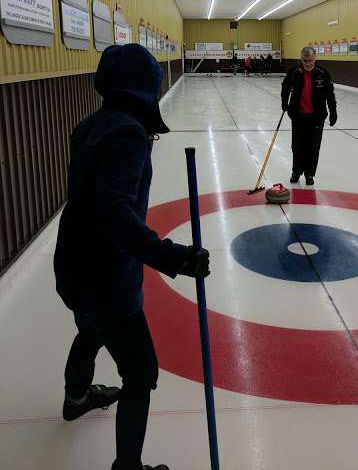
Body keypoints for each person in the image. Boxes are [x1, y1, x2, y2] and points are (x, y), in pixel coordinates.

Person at [54, 44, 210, 470]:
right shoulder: (127, 133)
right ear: (145, 86)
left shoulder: (92, 125)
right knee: (140, 373)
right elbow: (116, 216)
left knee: (90, 328)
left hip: (73, 265)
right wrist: (175, 258)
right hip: (106, 277)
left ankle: (77, 396)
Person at [281, 45, 337, 186]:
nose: (307, 63)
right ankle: (296, 171)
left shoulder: (322, 73)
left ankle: (309, 174)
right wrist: (284, 102)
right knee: (297, 146)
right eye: (305, 60)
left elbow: (330, 94)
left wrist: (333, 111)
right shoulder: (295, 71)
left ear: (315, 58)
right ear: (301, 59)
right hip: (298, 116)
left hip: (316, 117)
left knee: (313, 147)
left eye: (310, 60)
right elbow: (286, 86)